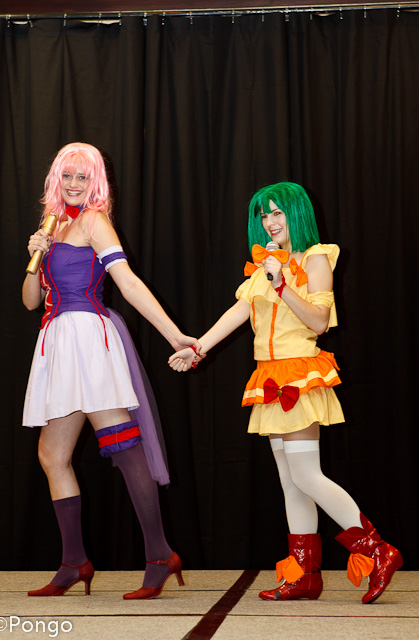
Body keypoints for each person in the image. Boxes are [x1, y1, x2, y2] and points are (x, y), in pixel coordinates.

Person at [169, 181, 402, 604]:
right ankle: (304, 576)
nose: (269, 222)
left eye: (277, 212)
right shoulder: (267, 264)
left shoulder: (315, 258)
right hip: (268, 377)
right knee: (291, 483)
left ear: (296, 213)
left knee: (307, 475)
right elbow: (240, 310)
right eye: (264, 215)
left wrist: (281, 286)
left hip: (300, 373)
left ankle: (378, 550)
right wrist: (198, 347)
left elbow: (319, 321)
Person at [23, 142, 198, 599]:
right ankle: (74, 562)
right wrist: (35, 256)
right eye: (67, 176)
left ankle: (159, 554)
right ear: (55, 179)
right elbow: (30, 301)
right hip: (57, 342)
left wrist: (173, 335)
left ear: (94, 182)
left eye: (82, 177)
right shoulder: (52, 225)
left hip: (89, 339)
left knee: (123, 447)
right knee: (52, 456)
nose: (74, 184)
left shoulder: (94, 221)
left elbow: (129, 283)